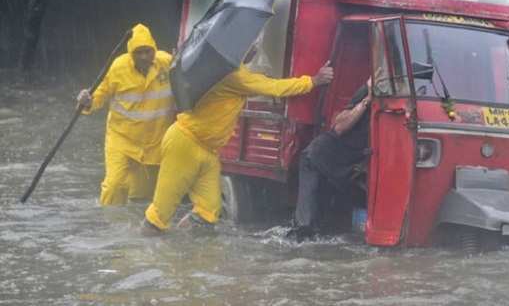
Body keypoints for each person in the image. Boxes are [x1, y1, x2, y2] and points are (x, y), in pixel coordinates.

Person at [142, 58, 334, 233]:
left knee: (208, 213)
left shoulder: (224, 69)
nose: (254, 49)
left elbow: (253, 81)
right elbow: (272, 87)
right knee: (161, 212)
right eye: (250, 45)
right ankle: (146, 248)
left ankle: (189, 256)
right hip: (185, 143)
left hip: (207, 150)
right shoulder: (232, 76)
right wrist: (313, 81)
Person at [77, 23, 175, 205]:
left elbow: (186, 84)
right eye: (139, 52)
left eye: (148, 51)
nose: (145, 56)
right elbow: (100, 94)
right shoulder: (118, 68)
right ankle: (109, 227)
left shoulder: (167, 63)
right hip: (121, 139)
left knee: (141, 198)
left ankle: (132, 231)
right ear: (131, 54)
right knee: (114, 186)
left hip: (153, 143)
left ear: (154, 49)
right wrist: (87, 102)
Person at [288, 78, 372, 241]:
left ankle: (313, 229)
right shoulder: (366, 91)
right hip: (327, 150)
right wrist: (366, 101)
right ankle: (302, 231)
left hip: (352, 156)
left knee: (327, 193)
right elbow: (339, 125)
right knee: (312, 172)